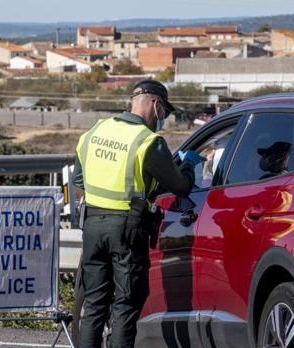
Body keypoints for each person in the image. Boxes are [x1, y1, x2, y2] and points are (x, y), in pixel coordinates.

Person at [72, 79, 203, 348]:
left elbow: (79, 182)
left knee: (94, 306)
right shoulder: (148, 141)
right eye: (164, 112)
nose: (163, 118)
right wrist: (189, 164)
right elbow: (180, 186)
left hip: (92, 227)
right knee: (125, 306)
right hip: (126, 231)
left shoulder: (95, 132)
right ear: (156, 105)